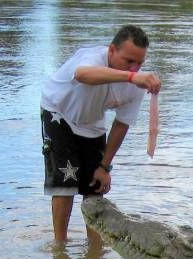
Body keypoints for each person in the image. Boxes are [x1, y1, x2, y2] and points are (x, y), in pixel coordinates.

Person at [40, 25, 161, 242]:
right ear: (112, 50)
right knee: (66, 184)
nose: (135, 68)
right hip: (58, 112)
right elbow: (83, 74)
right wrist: (132, 77)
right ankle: (60, 247)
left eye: (140, 63)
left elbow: (122, 123)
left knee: (95, 187)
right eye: (129, 61)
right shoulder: (93, 58)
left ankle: (95, 250)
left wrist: (104, 166)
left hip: (92, 120)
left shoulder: (136, 84)